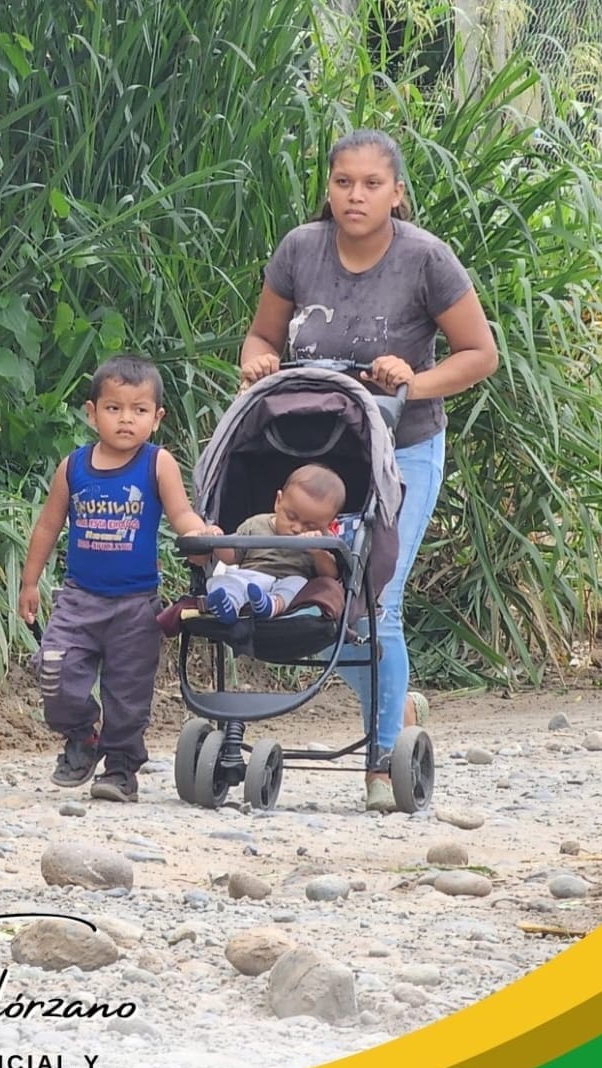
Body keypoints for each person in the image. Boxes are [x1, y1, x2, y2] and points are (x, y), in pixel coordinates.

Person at [238, 128, 498, 811]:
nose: (356, 195)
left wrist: (412, 380)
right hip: (315, 457)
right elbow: (262, 333)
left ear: (396, 194)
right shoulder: (300, 248)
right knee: (329, 600)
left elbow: (479, 354)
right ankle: (396, 705)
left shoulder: (425, 259)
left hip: (401, 451)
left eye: (371, 184)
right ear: (328, 189)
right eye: (343, 182)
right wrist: (257, 359)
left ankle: (382, 765)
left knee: (376, 598)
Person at [18, 355, 222, 803]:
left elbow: (181, 514)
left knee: (129, 695)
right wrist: (30, 583)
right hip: (78, 600)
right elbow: (48, 525)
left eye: (139, 410)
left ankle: (121, 769)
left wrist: (203, 534)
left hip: (135, 605)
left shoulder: (157, 463)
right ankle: (81, 736)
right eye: (114, 408)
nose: (126, 419)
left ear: (157, 417)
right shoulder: (73, 467)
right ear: (92, 413)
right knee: (54, 671)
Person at [204, 464, 346, 623]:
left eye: (310, 525)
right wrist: (217, 541)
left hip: (290, 581)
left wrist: (318, 553)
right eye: (291, 517)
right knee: (225, 581)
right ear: (278, 501)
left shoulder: (323, 539)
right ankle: (229, 606)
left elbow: (331, 577)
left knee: (298, 584)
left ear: (328, 524)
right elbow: (231, 557)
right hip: (252, 578)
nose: (297, 528)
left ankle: (271, 605)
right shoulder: (256, 524)